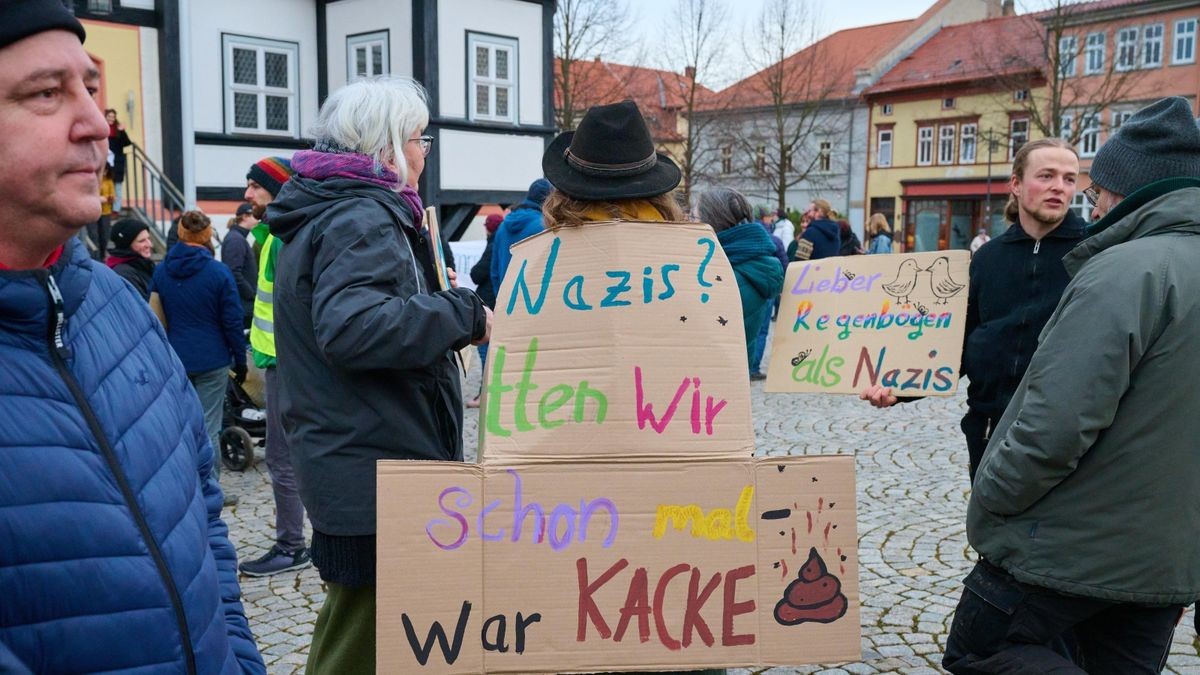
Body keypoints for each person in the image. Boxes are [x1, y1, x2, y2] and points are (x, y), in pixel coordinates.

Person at [0, 5, 264, 671]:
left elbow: (202, 514)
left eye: (89, 86)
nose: (96, 123)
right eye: (46, 93)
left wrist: (238, 658)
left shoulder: (116, 304)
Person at [944, 96, 1200, 674]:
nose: (1090, 198)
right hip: (1166, 555)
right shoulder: (996, 261)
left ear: (1129, 189)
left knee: (978, 654)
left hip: (1069, 543)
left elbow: (1056, 427)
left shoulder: (1122, 268)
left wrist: (992, 500)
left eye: (1092, 186)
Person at [267, 76, 490, 672]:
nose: (424, 152)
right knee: (359, 642)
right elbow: (353, 328)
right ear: (388, 144)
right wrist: (462, 313)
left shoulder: (340, 211)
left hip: (363, 458)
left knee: (359, 625)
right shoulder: (361, 216)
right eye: (419, 139)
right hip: (372, 469)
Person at [541, 99, 725, 675]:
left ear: (568, 189)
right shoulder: (696, 258)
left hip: (572, 491)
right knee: (679, 621)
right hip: (680, 479)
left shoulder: (541, 265)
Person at [861, 138, 1086, 483]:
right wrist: (900, 388)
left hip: (1065, 433)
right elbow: (958, 343)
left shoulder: (1093, 253)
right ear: (1015, 183)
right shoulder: (988, 257)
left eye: (1069, 179)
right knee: (992, 532)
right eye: (1046, 176)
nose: (1059, 186)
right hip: (988, 427)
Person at [238, 155, 312, 578]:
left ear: (278, 188)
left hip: (287, 363)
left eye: (254, 185)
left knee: (283, 457)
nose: (247, 195)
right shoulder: (274, 233)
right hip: (279, 359)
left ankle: (291, 545)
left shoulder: (283, 236)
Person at [150, 210, 248, 493]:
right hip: (212, 359)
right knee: (208, 426)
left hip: (176, 358)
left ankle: (183, 488)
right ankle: (209, 490)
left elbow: (154, 317)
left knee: (180, 425)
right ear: (207, 236)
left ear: (180, 234)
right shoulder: (218, 273)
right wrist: (240, 361)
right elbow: (232, 320)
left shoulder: (161, 271)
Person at [695, 187, 784, 369]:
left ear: (711, 222)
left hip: (705, 381)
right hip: (736, 376)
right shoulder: (751, 264)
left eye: (694, 218)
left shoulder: (719, 273)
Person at [467, 212, 504, 408]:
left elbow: (477, 273)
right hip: (497, 299)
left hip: (488, 301)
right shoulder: (503, 240)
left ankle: (485, 394)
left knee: (485, 353)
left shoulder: (493, 244)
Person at [490, 177, 551, 293]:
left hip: (506, 300)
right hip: (533, 301)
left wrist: (500, 297)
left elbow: (494, 271)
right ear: (548, 200)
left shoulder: (502, 226)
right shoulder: (543, 226)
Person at [222, 201, 258, 328]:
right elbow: (234, 273)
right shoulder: (236, 240)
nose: (258, 220)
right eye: (254, 216)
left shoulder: (236, 238)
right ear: (245, 216)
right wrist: (252, 294)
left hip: (243, 304)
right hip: (244, 306)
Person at [105, 217, 155, 299]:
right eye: (142, 241)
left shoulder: (142, 265)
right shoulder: (124, 273)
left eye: (148, 239)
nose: (149, 244)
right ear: (126, 244)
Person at [105, 107, 131, 213]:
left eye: (113, 117)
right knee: (105, 185)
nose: (111, 119)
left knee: (117, 187)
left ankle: (116, 209)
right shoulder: (102, 129)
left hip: (117, 163)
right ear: (105, 117)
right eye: (109, 116)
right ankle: (107, 208)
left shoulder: (118, 130)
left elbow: (127, 143)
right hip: (105, 163)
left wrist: (122, 131)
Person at [88, 162, 115, 259]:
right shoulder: (92, 181)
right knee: (94, 235)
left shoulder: (109, 181)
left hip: (105, 212)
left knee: (104, 235)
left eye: (105, 170)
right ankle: (97, 257)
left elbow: (112, 197)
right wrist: (98, 199)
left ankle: (103, 255)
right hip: (93, 212)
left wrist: (105, 198)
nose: (104, 172)